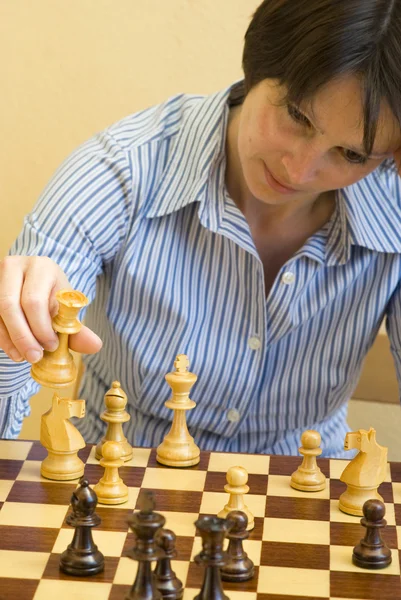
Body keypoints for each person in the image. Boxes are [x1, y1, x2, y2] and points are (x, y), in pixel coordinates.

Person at [1, 0, 401, 457]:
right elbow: (19, 337)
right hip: (123, 479)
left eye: (350, 154)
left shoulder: (393, 204)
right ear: (258, 65)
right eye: (297, 115)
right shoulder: (123, 168)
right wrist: (14, 326)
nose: (300, 169)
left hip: (307, 494)